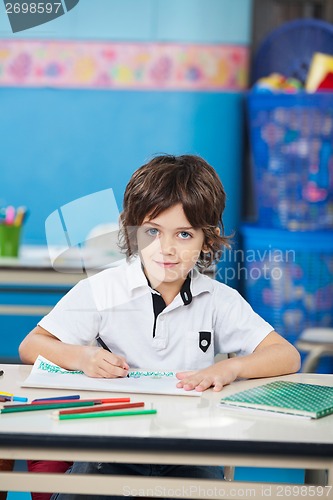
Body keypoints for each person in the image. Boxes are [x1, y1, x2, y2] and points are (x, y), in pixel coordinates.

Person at [19, 154, 301, 500]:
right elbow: (32, 345)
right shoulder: (102, 289)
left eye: (184, 234)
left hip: (189, 450)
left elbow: (286, 355)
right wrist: (81, 357)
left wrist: (232, 366)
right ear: (133, 230)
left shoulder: (218, 299)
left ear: (207, 240)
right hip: (109, 448)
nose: (166, 249)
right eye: (153, 231)